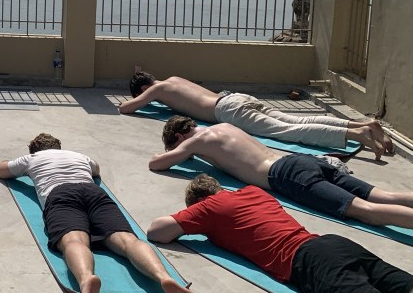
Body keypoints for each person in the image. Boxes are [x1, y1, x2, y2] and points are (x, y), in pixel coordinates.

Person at [147, 174, 413, 293]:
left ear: (199, 201)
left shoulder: (209, 207)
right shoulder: (255, 192)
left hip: (310, 262)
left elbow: (156, 231)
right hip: (338, 245)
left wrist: (197, 222)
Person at [0, 132, 208, 293]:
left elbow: (0, 170)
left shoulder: (32, 158)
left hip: (60, 194)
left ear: (35, 150)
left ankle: (86, 278)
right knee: (127, 241)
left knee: (74, 241)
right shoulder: (79, 156)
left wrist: (23, 167)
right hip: (94, 193)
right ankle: (163, 277)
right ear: (59, 147)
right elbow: (96, 170)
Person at [150, 116, 413, 229]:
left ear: (179, 136)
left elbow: (157, 164)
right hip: (300, 161)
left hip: (287, 175)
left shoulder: (195, 141)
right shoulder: (225, 126)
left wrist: (172, 152)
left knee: (365, 211)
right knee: (384, 196)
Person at [122, 69, 392, 159]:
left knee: (290, 131)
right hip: (234, 98)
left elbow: (127, 108)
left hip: (228, 110)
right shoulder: (174, 79)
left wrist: (134, 100)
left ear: (145, 88)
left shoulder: (157, 89)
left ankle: (358, 135)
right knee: (297, 119)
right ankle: (363, 124)